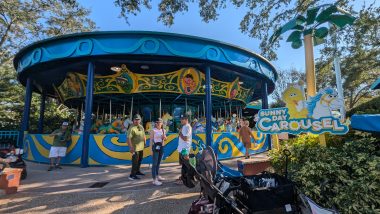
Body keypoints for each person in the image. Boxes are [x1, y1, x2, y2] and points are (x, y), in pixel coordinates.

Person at [127, 114, 146, 180]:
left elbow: (144, 135)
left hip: (141, 147)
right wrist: (131, 147)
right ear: (133, 120)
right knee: (135, 162)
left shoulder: (141, 126)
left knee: (139, 160)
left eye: (138, 120)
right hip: (135, 148)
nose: (137, 121)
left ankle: (137, 171)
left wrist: (145, 142)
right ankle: (132, 175)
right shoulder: (131, 128)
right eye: (135, 120)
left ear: (140, 120)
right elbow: (128, 139)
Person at [150, 118, 167, 186]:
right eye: (156, 122)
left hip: (161, 147)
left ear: (162, 123)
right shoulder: (153, 130)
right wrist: (150, 150)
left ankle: (157, 175)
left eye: (159, 122)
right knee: (154, 163)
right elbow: (151, 140)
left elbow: (165, 139)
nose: (158, 123)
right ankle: (154, 180)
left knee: (158, 163)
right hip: (155, 148)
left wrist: (164, 137)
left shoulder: (163, 130)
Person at [176, 115, 192, 184]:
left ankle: (188, 179)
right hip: (182, 149)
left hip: (184, 149)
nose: (181, 120)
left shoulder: (187, 127)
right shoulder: (184, 127)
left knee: (187, 165)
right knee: (184, 165)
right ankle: (183, 178)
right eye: (181, 119)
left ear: (186, 119)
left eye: (182, 119)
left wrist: (179, 133)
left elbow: (186, 138)